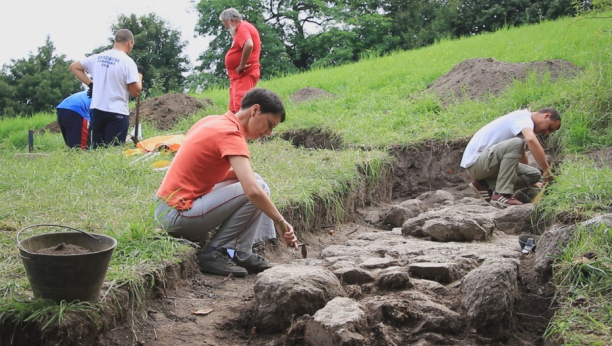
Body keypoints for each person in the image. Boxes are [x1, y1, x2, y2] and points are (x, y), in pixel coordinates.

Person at [154, 88, 298, 278]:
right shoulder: (230, 133)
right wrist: (280, 221)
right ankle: (216, 252)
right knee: (257, 187)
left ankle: (240, 252)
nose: (269, 133)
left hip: (165, 208)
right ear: (255, 110)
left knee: (255, 180)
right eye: (269, 124)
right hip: (176, 215)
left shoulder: (214, 120)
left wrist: (243, 178)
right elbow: (252, 191)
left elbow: (204, 172)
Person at [460, 107, 561, 207]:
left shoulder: (522, 128)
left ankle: (484, 184)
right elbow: (531, 140)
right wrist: (546, 170)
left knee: (533, 174)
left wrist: (531, 183)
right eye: (549, 128)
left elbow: (521, 156)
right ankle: (502, 194)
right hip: (476, 163)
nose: (546, 133)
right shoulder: (523, 117)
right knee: (516, 143)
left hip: (488, 164)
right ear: (546, 116)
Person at [69, 29, 144, 149]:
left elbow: (74, 67)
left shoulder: (97, 57)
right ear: (130, 43)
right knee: (113, 151)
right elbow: (135, 91)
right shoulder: (128, 62)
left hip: (97, 110)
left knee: (97, 150)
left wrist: (90, 84)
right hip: (117, 111)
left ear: (115, 41)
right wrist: (140, 75)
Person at [220, 8, 261, 113]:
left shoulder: (243, 27)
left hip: (245, 74)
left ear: (232, 20)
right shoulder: (240, 30)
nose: (226, 27)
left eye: (226, 24)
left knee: (241, 107)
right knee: (233, 110)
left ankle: (243, 129)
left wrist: (242, 64)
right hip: (237, 77)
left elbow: (249, 44)